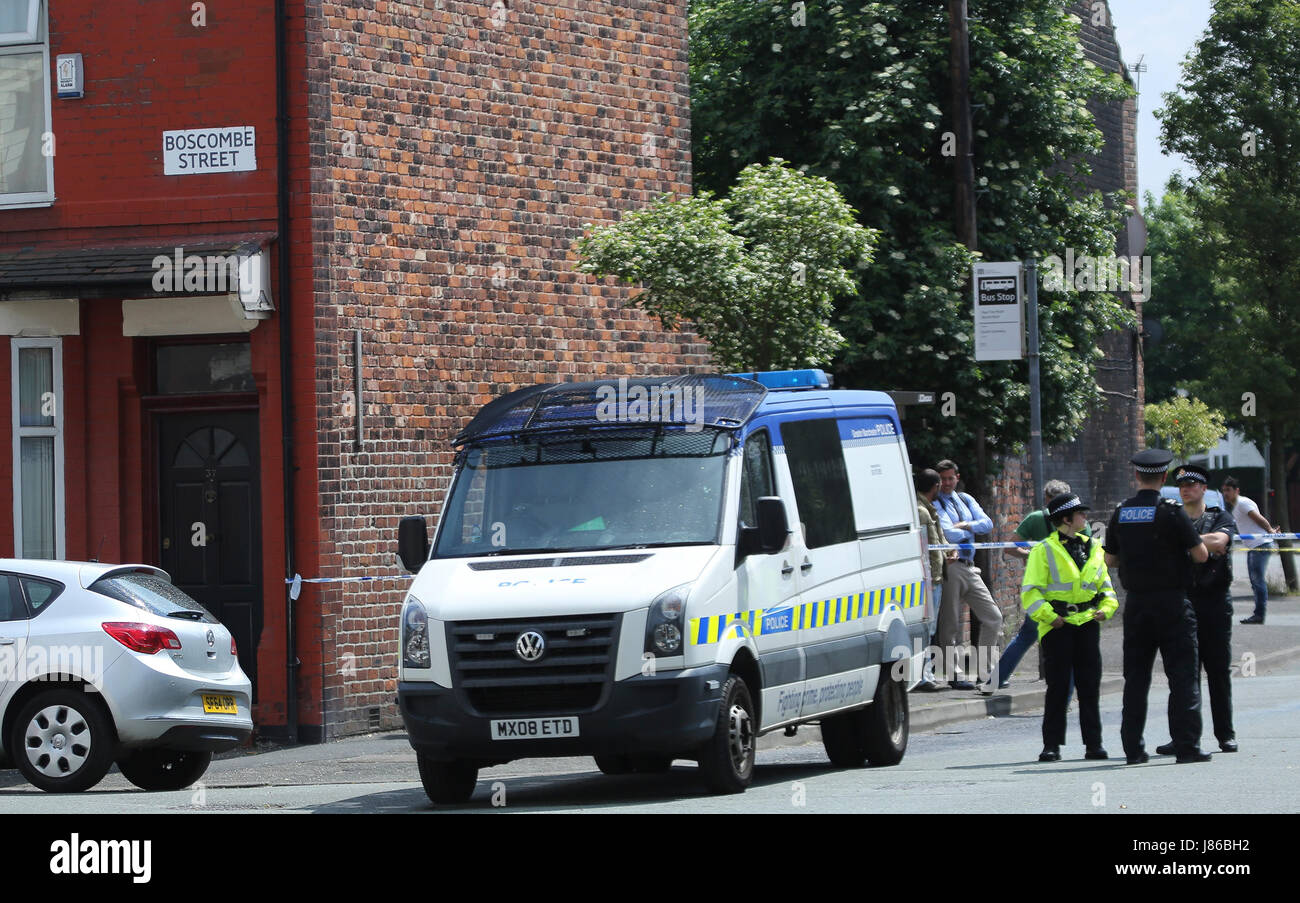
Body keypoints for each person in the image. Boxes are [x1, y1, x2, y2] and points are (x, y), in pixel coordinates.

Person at [1105, 448, 1211, 765]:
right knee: (1183, 676)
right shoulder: (1171, 511)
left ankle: (1133, 749)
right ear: (1164, 477)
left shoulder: (1121, 511)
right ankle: (1187, 746)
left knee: (1136, 678)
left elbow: (1110, 559)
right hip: (1173, 603)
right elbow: (1201, 555)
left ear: (1136, 476)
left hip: (1137, 605)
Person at [1022, 493, 1117, 761]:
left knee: (1089, 687)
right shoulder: (1044, 550)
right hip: (1058, 626)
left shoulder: (1094, 548)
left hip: (1087, 623)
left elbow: (1106, 588)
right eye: (1080, 514)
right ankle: (1051, 745)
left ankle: (1094, 744)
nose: (1085, 518)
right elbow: (1030, 592)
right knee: (1058, 688)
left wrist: (1106, 610)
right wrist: (1050, 617)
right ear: (1066, 519)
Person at [1153, 464, 1238, 755]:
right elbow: (1207, 548)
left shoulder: (1219, 516)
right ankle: (1184, 737)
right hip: (1181, 602)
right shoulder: (1172, 518)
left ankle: (1225, 734)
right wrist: (1196, 544)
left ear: (1203, 489)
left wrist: (1184, 541)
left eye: (1192, 484)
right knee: (1182, 675)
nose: (1186, 489)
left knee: (1217, 671)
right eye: (1182, 485)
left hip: (1213, 604)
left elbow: (1219, 540)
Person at [999, 478, 1088, 690]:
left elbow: (1010, 547)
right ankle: (1066, 692)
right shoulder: (1077, 521)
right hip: (1069, 594)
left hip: (1040, 590)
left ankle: (996, 679)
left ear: (1047, 499)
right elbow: (1088, 555)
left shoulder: (1036, 518)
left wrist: (1030, 555)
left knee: (1026, 636)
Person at [933, 459, 1002, 694]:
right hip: (950, 566)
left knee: (993, 616)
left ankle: (985, 671)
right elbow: (947, 532)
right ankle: (954, 675)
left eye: (951, 478)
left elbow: (988, 523)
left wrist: (967, 525)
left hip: (969, 565)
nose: (947, 483)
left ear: (957, 477)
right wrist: (970, 528)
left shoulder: (965, 499)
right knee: (950, 624)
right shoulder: (935, 503)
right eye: (942, 479)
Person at [914, 469, 954, 692]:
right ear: (935, 486)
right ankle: (923, 676)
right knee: (926, 629)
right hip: (929, 579)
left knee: (929, 628)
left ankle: (925, 674)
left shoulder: (928, 509)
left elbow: (937, 540)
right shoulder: (921, 512)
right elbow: (924, 545)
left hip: (935, 576)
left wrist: (949, 550)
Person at [1220, 476, 1280, 625]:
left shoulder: (1242, 503)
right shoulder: (1236, 507)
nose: (1225, 494)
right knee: (1255, 581)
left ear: (1236, 491)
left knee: (1257, 581)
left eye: (1228, 490)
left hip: (1260, 545)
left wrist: (1270, 530)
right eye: (1224, 491)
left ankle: (1259, 615)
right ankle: (1258, 614)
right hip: (1254, 546)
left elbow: (1258, 518)